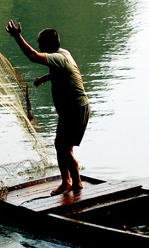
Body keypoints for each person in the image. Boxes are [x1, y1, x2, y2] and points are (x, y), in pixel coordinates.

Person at [6, 20, 91, 195]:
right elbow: (64, 72)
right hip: (71, 109)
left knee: (63, 147)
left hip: (75, 108)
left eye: (40, 41)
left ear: (50, 43)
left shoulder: (58, 56)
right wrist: (44, 79)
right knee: (61, 145)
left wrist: (17, 37)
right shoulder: (63, 55)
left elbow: (33, 56)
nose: (38, 44)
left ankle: (76, 184)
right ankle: (67, 182)